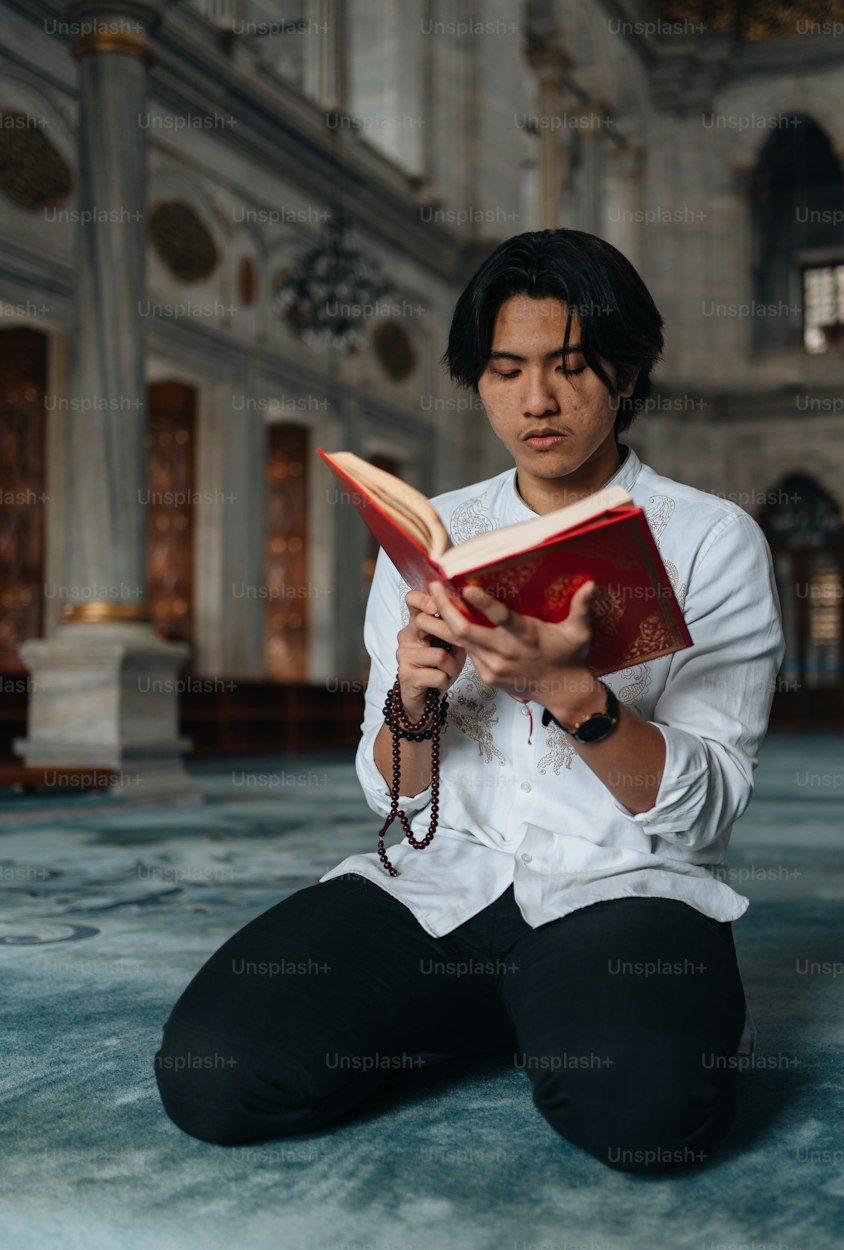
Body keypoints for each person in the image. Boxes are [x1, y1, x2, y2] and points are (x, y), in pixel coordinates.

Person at [154, 229, 784, 1172]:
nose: (537, 400)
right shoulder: (438, 537)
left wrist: (573, 694)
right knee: (213, 1074)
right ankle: (509, 1013)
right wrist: (415, 694)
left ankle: (550, 1008)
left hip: (617, 889)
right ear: (477, 379)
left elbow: (706, 810)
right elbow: (395, 796)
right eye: (505, 370)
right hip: (443, 880)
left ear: (628, 369)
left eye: (571, 368)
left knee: (649, 1117)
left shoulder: (707, 541)